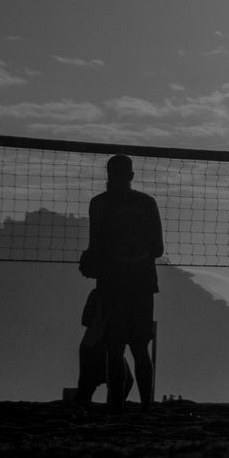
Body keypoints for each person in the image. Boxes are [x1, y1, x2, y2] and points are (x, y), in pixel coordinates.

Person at [82, 154, 163, 411]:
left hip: (113, 285)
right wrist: (135, 256)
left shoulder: (99, 204)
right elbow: (158, 249)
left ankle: (116, 407)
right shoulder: (148, 203)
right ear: (131, 175)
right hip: (142, 283)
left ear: (108, 175)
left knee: (114, 349)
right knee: (140, 348)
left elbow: (94, 247)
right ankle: (146, 408)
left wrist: (92, 263)